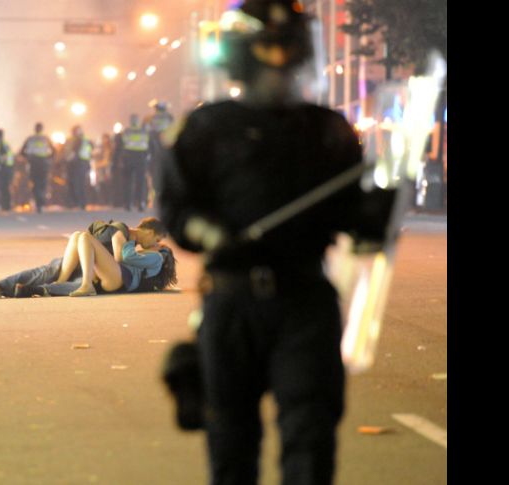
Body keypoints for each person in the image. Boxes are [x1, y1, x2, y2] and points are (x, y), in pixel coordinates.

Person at [158, 2, 396, 484]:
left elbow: (355, 221)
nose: (279, 65)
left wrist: (380, 212)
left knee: (309, 444)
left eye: (288, 49)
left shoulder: (327, 131)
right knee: (231, 449)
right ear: (243, 56)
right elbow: (178, 213)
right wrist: (213, 233)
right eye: (268, 49)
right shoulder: (204, 130)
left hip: (304, 303)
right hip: (231, 302)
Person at [0, 217, 173, 298]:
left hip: (105, 272)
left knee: (80, 242)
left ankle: (79, 284)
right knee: (73, 240)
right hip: (90, 263)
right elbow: (121, 256)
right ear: (148, 231)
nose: (156, 243)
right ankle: (3, 286)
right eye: (157, 239)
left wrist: (124, 241)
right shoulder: (121, 231)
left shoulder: (152, 255)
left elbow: (121, 258)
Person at [114, 114, 156, 212]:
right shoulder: (144, 132)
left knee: (128, 182)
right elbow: (152, 147)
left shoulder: (126, 132)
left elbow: (119, 147)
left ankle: (128, 203)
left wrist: (117, 160)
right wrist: (150, 157)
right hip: (141, 159)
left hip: (128, 158)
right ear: (138, 121)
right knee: (140, 182)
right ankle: (141, 203)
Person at [20, 122, 56, 213]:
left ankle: (38, 203)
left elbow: (22, 152)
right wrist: (49, 158)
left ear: (35, 129)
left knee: (35, 183)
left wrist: (28, 157)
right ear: (42, 129)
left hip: (33, 162)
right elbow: (54, 151)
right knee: (43, 183)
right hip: (43, 163)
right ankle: (42, 202)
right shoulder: (46, 139)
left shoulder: (30, 139)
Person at [64, 125, 94, 211]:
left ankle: (78, 202)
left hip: (78, 163)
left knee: (77, 183)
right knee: (82, 183)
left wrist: (67, 160)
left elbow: (75, 152)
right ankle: (83, 203)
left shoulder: (78, 140)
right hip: (85, 163)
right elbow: (91, 149)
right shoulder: (87, 140)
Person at [0, 129, 15, 212]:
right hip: (8, 168)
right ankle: (6, 205)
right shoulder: (6, 144)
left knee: (0, 187)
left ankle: (3, 205)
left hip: (2, 168)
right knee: (5, 187)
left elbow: (2, 157)